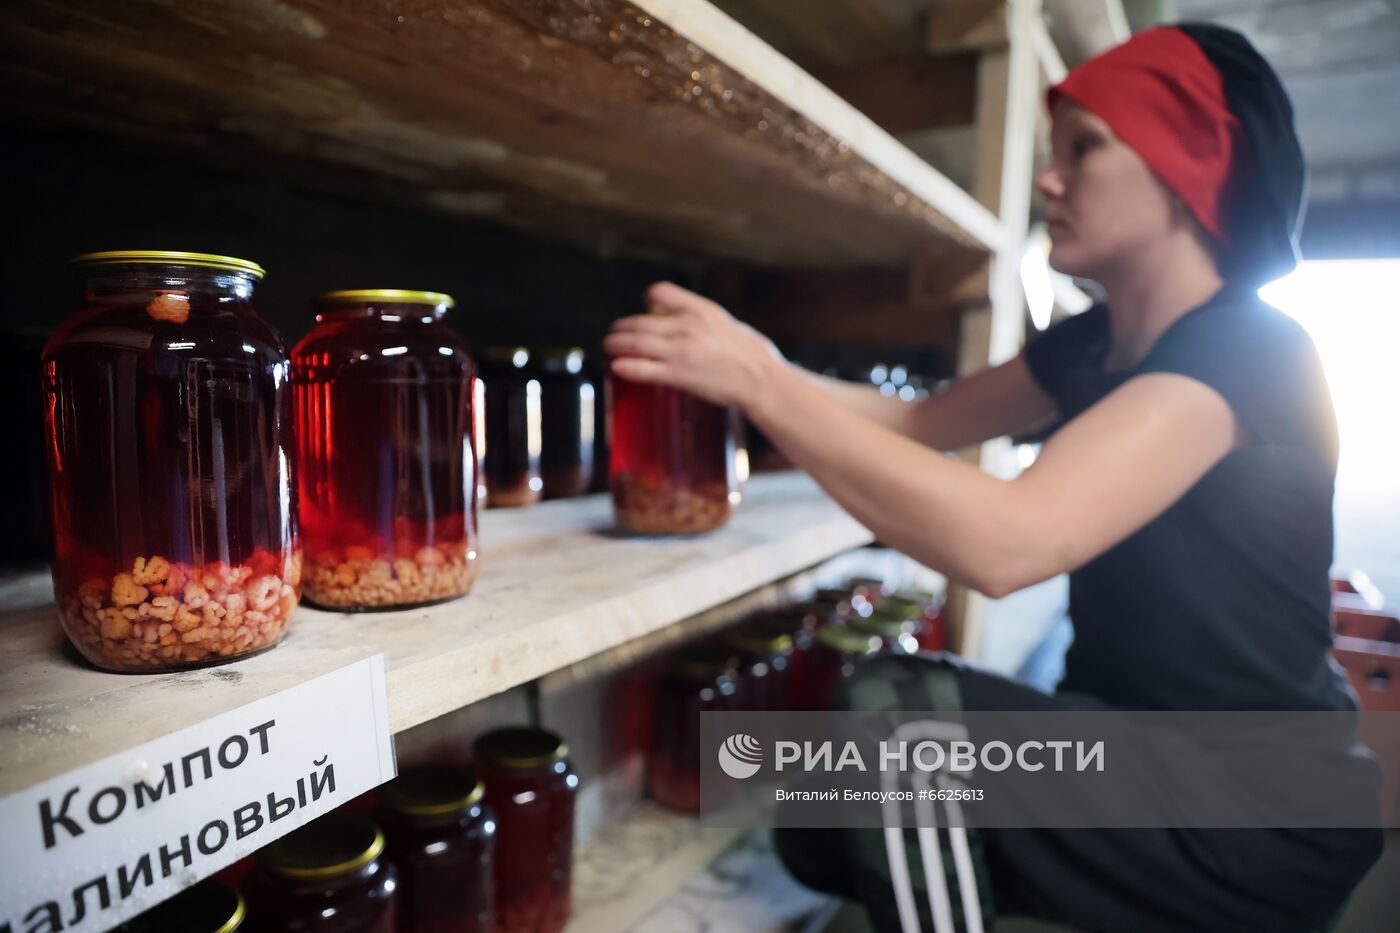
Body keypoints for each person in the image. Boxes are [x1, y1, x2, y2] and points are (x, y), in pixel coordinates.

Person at [604, 22, 1385, 933]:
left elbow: (1009, 541)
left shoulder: (1252, 350)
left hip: (1254, 799)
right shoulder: (1094, 345)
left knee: (890, 711)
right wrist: (751, 359)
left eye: (1085, 151)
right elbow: (916, 423)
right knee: (816, 827)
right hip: (1129, 744)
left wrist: (762, 385)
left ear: (1190, 167)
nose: (1050, 181)